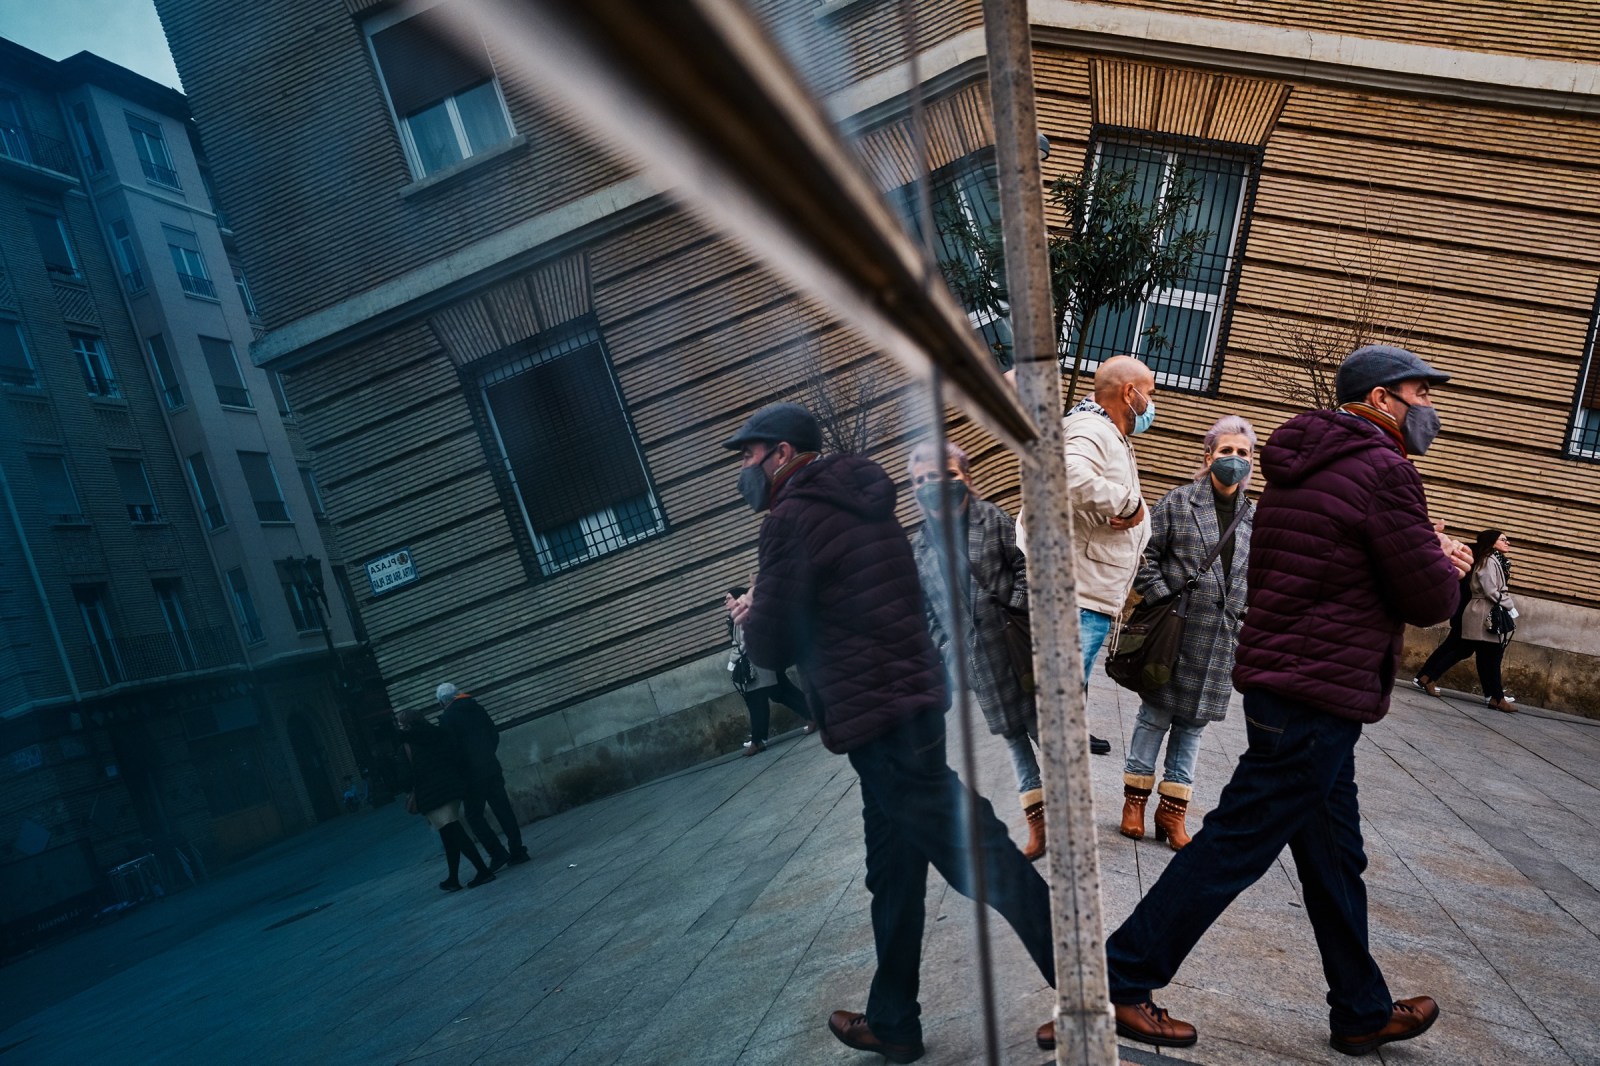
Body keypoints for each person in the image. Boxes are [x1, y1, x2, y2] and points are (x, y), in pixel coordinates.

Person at [1080, 344, 1474, 1057]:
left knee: (1333, 855)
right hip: (1319, 694)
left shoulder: (1303, 464)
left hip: (1284, 682)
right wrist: (1447, 564)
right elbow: (1427, 599)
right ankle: (1119, 976)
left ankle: (1359, 1008)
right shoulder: (1385, 472)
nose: (1429, 408)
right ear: (1382, 400)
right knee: (1236, 842)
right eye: (1420, 393)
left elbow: (1328, 568)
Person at [724, 402, 1054, 1064]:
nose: (745, 470)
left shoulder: (791, 518)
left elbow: (770, 643)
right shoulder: (861, 498)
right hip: (906, 705)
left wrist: (753, 609)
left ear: (782, 453)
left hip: (878, 719)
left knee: (979, 855)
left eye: (750, 456)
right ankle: (894, 1020)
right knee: (894, 874)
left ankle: (1094, 984)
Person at [1120, 416, 1256, 850]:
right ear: (1208, 456)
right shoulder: (1180, 502)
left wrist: (1245, 616)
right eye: (1226, 451)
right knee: (1155, 716)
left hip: (1220, 638)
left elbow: (1262, 575)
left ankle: (1173, 812)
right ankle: (1135, 803)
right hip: (1175, 633)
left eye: (1243, 453)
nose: (1234, 460)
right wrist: (1162, 600)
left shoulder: (1255, 515)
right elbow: (1144, 556)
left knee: (1193, 727)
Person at [907, 441, 1047, 861]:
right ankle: (1038, 829)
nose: (936, 484)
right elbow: (925, 609)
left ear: (965, 477)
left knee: (1047, 734)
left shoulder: (993, 520)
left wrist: (1019, 608)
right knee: (1015, 742)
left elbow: (1026, 566)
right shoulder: (920, 547)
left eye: (946, 474)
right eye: (924, 479)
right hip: (978, 661)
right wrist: (946, 645)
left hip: (1019, 648)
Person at [1063, 355, 1155, 756]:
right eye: (1150, 393)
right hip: (1081, 589)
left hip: (1090, 587)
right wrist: (1126, 503)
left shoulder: (1107, 431)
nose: (1152, 405)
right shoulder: (1091, 428)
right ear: (1129, 392)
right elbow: (1066, 474)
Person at [1415, 529, 1518, 712]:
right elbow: (1490, 589)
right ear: (1492, 542)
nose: (1508, 542)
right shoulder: (1488, 560)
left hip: (1480, 612)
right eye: (1503, 539)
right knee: (1490, 655)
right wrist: (1509, 605)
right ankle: (1496, 697)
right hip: (1483, 613)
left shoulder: (1492, 559)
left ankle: (1428, 676)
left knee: (1467, 650)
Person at [395, 708, 495, 891]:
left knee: (454, 831)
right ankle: (453, 878)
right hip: (451, 790)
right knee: (448, 835)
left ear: (407, 726)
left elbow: (405, 778)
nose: (399, 728)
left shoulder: (407, 746)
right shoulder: (438, 734)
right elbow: (456, 757)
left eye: (400, 724)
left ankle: (483, 871)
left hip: (432, 796)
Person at [436, 684, 530, 868]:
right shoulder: (477, 708)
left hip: (471, 776)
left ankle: (497, 853)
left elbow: (453, 750)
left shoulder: (447, 718)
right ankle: (517, 850)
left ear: (442, 702)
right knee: (504, 810)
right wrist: (488, 755)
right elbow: (493, 733)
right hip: (491, 767)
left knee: (473, 816)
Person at [723, 584, 814, 754]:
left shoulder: (745, 614)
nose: (725, 602)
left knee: (756, 701)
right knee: (781, 692)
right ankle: (815, 716)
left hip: (757, 665)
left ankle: (758, 741)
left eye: (728, 598)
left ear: (738, 598)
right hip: (763, 663)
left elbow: (745, 642)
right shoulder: (738, 615)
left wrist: (733, 660)